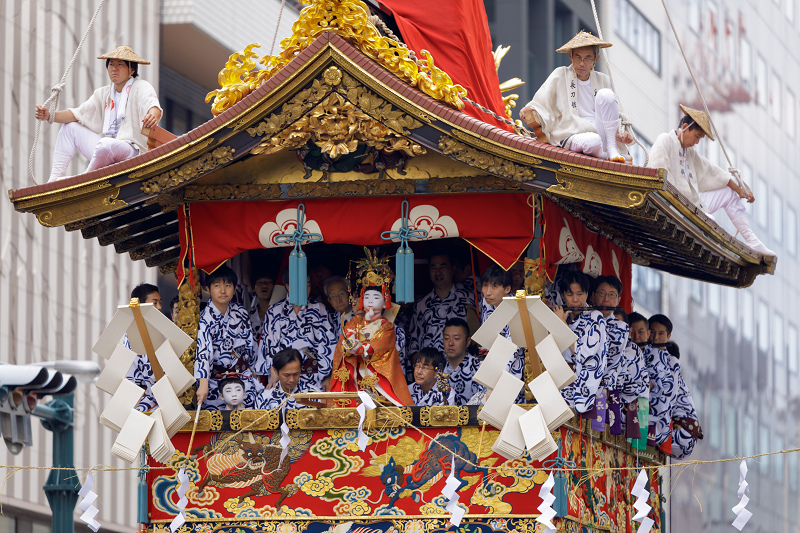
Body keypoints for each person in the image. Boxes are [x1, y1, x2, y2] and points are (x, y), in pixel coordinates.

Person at [648, 105, 773, 255]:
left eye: (700, 138)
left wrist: (740, 190)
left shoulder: (690, 153)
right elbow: (657, 176)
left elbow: (713, 172)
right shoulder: (665, 140)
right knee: (708, 220)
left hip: (692, 205)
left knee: (728, 193)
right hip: (672, 208)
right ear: (686, 127)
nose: (696, 142)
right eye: (697, 136)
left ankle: (752, 241)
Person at [34, 45, 162, 182]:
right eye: (111, 64)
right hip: (107, 151)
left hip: (132, 152)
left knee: (105, 144)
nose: (114, 68)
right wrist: (49, 116)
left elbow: (153, 106)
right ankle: (53, 181)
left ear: (132, 70)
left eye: (120, 64)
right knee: (69, 128)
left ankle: (84, 180)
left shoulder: (140, 86)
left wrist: (153, 115)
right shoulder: (103, 94)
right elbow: (78, 114)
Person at [519, 31, 633, 163]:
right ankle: (608, 154)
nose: (582, 64)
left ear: (596, 60)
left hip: (603, 133)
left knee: (606, 94)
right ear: (570, 57)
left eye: (587, 59)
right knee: (593, 142)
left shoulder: (603, 80)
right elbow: (542, 102)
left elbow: (616, 114)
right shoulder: (560, 74)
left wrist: (623, 133)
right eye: (578, 57)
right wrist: (531, 109)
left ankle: (612, 149)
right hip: (573, 132)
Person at [329, 251, 412, 406]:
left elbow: (378, 346)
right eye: (366, 298)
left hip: (378, 381)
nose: (370, 302)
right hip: (356, 380)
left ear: (384, 301)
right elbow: (347, 337)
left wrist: (361, 348)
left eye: (376, 298)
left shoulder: (387, 327)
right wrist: (350, 343)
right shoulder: (354, 322)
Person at [194, 265, 265, 410]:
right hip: (215, 381)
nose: (223, 291)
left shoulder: (240, 312)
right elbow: (203, 352)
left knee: (251, 416)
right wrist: (203, 383)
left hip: (242, 377)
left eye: (227, 285)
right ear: (208, 289)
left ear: (234, 288)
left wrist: (254, 370)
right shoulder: (204, 318)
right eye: (217, 286)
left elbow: (250, 345)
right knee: (216, 421)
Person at [258, 271, 336, 392]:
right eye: (300, 285)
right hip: (284, 376)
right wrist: (274, 371)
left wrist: (327, 375)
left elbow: (329, 343)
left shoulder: (319, 308)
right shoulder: (275, 310)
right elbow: (268, 345)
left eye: (308, 284)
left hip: (314, 375)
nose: (306, 289)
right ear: (288, 286)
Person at [552, 270, 607, 413]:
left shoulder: (595, 317)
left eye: (580, 294)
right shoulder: (562, 316)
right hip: (559, 385)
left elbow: (584, 354)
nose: (575, 299)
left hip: (584, 389)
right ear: (563, 296)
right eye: (570, 295)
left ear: (587, 294)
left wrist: (562, 325)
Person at [407, 251, 477, 355]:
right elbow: (413, 344)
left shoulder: (469, 299)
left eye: (442, 267)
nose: (438, 272)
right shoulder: (420, 305)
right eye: (433, 267)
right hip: (430, 368)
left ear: (453, 269)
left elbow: (478, 340)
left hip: (461, 368)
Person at [479, 264, 525, 383]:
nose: (487, 292)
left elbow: (512, 348)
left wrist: (494, 383)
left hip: (515, 369)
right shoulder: (487, 301)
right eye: (485, 285)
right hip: (491, 364)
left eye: (494, 286)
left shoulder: (517, 307)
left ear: (507, 289)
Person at [124, 282, 162, 412]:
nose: (159, 307)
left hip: (153, 397)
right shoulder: (132, 332)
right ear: (141, 305)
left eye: (160, 303)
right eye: (155, 303)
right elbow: (150, 372)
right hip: (145, 400)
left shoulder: (158, 330)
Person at [664, 341, 703, 458]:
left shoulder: (670, 371)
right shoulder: (679, 378)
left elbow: (666, 400)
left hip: (681, 434)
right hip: (686, 437)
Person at [442, 318, 484, 406]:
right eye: (446, 338)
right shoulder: (437, 368)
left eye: (456, 338)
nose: (450, 343)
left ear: (468, 342)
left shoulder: (479, 367)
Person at [249, 272, 275, 340]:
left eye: (269, 282)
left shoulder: (280, 314)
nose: (264, 285)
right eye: (260, 282)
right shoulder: (247, 316)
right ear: (253, 288)